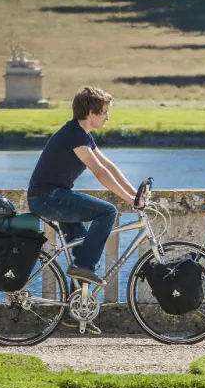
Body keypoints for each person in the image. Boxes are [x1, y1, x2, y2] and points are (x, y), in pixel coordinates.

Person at [27, 86, 141, 294]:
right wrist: (128, 199)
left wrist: (135, 194)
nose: (108, 117)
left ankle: (76, 311)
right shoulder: (74, 135)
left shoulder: (84, 135)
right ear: (91, 113)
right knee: (108, 212)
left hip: (53, 198)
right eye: (105, 112)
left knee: (82, 251)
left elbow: (109, 166)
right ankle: (83, 267)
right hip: (48, 198)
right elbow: (99, 171)